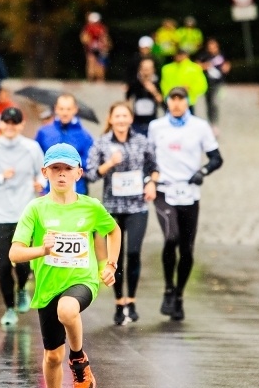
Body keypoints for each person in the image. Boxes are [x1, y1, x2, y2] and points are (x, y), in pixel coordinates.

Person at [9, 142, 121, 388]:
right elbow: (15, 254)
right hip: (48, 288)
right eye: (55, 168)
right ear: (45, 172)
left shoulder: (90, 206)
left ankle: (79, 359)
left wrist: (110, 264)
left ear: (78, 173)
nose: (61, 174)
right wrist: (41, 250)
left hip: (83, 281)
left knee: (68, 310)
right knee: (51, 357)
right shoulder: (36, 209)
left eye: (67, 169)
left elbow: (113, 230)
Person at [148, 87, 223, 321]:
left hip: (189, 192)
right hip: (164, 190)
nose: (177, 104)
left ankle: (179, 295)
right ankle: (168, 288)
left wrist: (203, 171)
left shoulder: (200, 127)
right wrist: (150, 179)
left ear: (187, 102)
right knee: (171, 238)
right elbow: (148, 157)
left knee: (187, 249)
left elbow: (216, 158)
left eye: (181, 99)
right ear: (167, 102)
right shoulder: (156, 127)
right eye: (173, 99)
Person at [0, 107, 45, 326]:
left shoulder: (31, 148)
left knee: (22, 263)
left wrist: (39, 183)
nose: (10, 126)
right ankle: (9, 308)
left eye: (15, 123)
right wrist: (0, 178)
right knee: (4, 264)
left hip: (25, 212)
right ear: (0, 124)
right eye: (7, 122)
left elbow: (43, 173)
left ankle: (21, 288)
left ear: (22, 125)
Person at [86, 102, 158, 325]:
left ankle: (131, 301)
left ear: (131, 119)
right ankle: (119, 302)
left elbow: (154, 167)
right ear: (110, 119)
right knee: (115, 257)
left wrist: (151, 183)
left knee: (134, 252)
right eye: (117, 116)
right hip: (112, 208)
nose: (121, 120)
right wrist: (109, 163)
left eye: (124, 116)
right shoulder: (102, 143)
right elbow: (91, 174)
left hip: (137, 206)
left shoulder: (141, 141)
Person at [34, 93, 94, 195]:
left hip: (77, 191)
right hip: (48, 190)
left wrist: (69, 165)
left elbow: (90, 161)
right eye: (61, 109)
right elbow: (36, 157)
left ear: (75, 109)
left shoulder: (85, 135)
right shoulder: (44, 132)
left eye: (68, 109)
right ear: (56, 109)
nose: (65, 113)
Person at [160, 49, 208, 114]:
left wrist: (190, 87)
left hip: (188, 101)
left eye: (181, 55)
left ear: (187, 55)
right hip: (171, 101)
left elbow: (202, 85)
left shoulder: (195, 68)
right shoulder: (167, 69)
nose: (179, 57)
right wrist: (171, 93)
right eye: (178, 55)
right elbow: (163, 85)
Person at [196, 38, 231, 128]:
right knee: (209, 103)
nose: (212, 48)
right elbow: (197, 66)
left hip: (218, 83)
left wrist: (226, 68)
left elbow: (227, 64)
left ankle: (214, 123)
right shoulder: (204, 55)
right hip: (207, 83)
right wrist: (205, 66)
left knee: (214, 102)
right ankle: (210, 122)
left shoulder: (221, 54)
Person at [125, 58, 162, 136]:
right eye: (144, 68)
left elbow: (161, 101)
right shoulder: (135, 82)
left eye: (148, 69)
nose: (146, 71)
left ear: (153, 70)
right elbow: (127, 99)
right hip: (137, 120)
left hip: (152, 119)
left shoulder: (157, 83)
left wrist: (154, 91)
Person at [79, 12, 111, 82]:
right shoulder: (97, 28)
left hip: (97, 48)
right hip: (95, 48)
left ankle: (95, 79)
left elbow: (104, 38)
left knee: (98, 64)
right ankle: (94, 78)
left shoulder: (89, 28)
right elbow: (85, 39)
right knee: (94, 63)